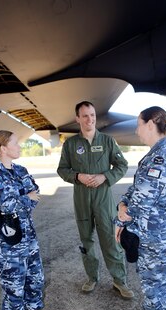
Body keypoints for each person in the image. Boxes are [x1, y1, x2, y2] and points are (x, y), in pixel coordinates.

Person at [115, 106, 166, 310]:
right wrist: (122, 203)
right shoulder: (154, 154)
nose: (136, 129)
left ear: (151, 123)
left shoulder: (161, 157)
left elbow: (142, 202)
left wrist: (120, 219)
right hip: (147, 230)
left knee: (157, 281)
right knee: (147, 276)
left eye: (138, 124)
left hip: (154, 232)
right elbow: (135, 190)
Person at [0, 130, 52, 310]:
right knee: (13, 282)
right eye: (16, 143)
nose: (20, 147)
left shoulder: (20, 169)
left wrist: (23, 199)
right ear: (3, 148)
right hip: (9, 237)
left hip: (28, 234)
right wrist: (25, 199)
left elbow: (35, 193)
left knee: (35, 276)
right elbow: (5, 204)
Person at [57, 100, 133, 298]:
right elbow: (62, 169)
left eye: (92, 115)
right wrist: (77, 176)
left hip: (103, 198)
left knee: (110, 240)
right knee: (87, 241)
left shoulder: (107, 141)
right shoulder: (71, 144)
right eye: (85, 116)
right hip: (81, 198)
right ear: (78, 119)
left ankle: (119, 281)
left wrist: (104, 177)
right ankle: (92, 278)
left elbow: (121, 165)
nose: (90, 119)